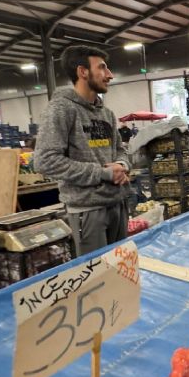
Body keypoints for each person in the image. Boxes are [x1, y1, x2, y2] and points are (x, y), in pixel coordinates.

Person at [34, 45, 130, 256]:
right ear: (82, 72)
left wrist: (122, 165)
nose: (110, 75)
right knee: (96, 280)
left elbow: (121, 150)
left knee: (121, 275)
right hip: (88, 212)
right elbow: (45, 160)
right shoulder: (62, 108)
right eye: (103, 68)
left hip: (117, 204)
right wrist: (104, 173)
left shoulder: (107, 113)